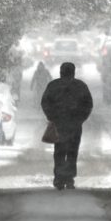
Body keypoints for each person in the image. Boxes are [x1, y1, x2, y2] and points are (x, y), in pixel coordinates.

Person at [40, 62, 93, 190]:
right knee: (72, 151)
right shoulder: (80, 86)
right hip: (74, 126)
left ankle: (59, 177)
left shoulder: (53, 86)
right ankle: (69, 178)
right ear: (73, 72)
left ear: (61, 71)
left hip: (59, 125)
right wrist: (80, 119)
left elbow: (45, 102)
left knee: (59, 151)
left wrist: (51, 116)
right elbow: (88, 105)